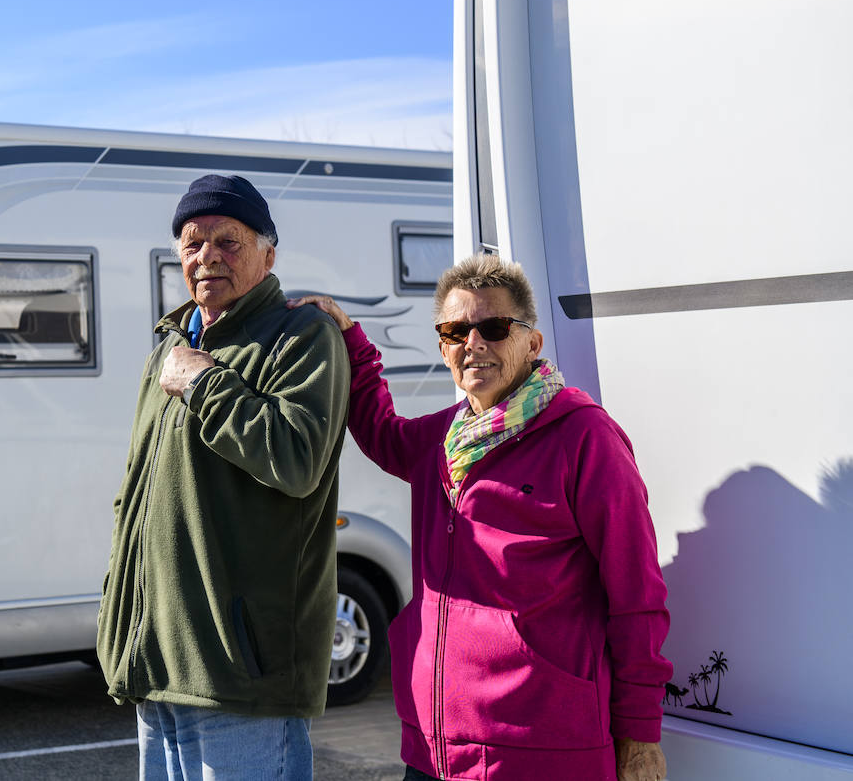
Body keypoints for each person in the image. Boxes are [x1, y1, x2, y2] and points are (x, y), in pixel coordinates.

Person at [291, 254, 670, 781]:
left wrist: (640, 735)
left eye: (493, 327)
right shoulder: (442, 439)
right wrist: (352, 339)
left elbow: (638, 598)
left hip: (541, 755)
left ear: (531, 342)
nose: (474, 343)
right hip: (432, 750)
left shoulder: (585, 438)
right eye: (455, 330)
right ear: (443, 345)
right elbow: (379, 431)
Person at [97, 174, 351, 780]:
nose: (207, 256)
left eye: (227, 241)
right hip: (157, 657)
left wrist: (206, 383)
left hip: (240, 670)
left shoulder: (302, 337)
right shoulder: (168, 347)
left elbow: (296, 459)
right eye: (192, 244)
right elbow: (135, 491)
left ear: (268, 253)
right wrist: (119, 608)